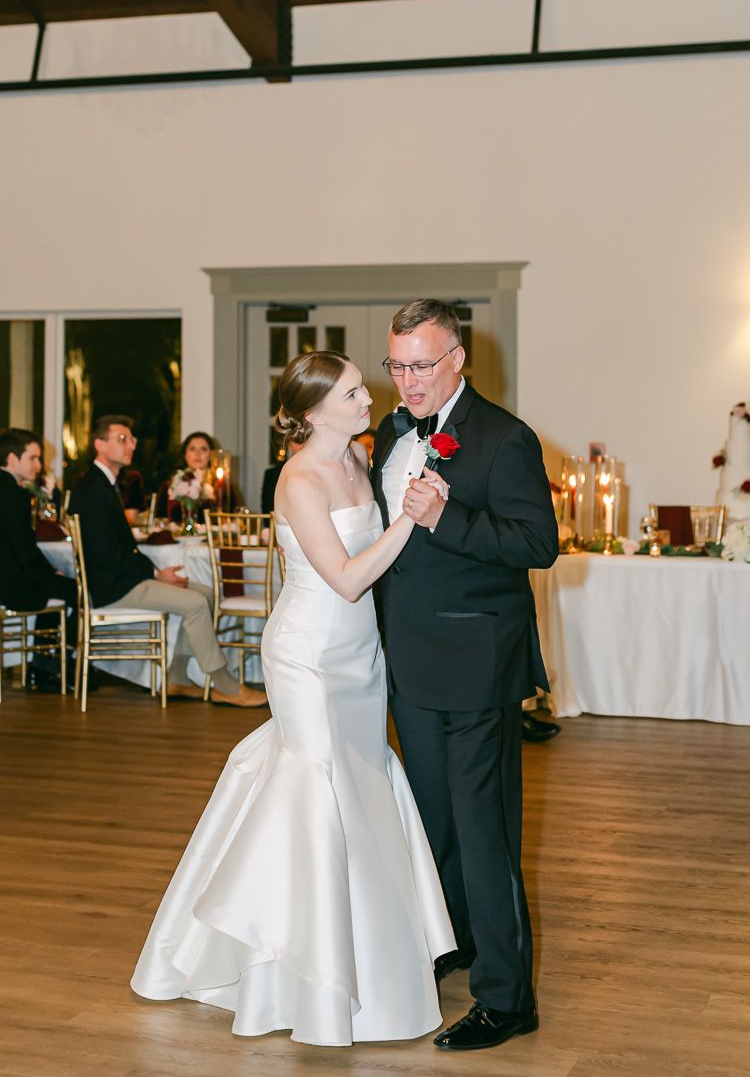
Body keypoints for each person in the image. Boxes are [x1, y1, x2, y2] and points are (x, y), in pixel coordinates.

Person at [131, 352, 456, 1046]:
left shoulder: (361, 462)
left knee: (361, 797)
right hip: (308, 653)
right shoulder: (299, 478)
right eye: (349, 393)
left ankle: (368, 962)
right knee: (316, 797)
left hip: (360, 655)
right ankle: (292, 975)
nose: (366, 399)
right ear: (312, 412)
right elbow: (341, 578)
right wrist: (411, 519)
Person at [371, 299, 558, 1052]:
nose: (407, 380)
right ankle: (458, 940)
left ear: (458, 361)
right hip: (408, 659)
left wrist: (449, 519)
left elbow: (537, 544)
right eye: (396, 364)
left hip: (477, 662)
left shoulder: (506, 438)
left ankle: (508, 1000)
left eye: (420, 364)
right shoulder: (389, 432)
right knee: (430, 821)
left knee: (486, 833)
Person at [68, 416, 266, 708]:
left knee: (205, 594)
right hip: (111, 586)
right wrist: (156, 573)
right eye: (122, 439)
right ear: (99, 444)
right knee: (195, 603)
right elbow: (107, 555)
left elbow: (118, 549)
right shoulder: (92, 490)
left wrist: (156, 572)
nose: (132, 445)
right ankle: (225, 685)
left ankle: (178, 679)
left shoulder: (104, 484)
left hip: (122, 578)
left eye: (132, 439)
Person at [0, 428, 78, 689]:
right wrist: (51, 572)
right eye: (33, 458)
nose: (39, 466)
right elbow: (25, 551)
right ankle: (49, 668)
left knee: (55, 586)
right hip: (10, 587)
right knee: (75, 589)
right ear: (12, 458)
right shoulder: (14, 495)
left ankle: (43, 666)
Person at [158, 431, 231, 523]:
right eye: (192, 449)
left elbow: (231, 520)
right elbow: (160, 520)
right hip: (181, 533)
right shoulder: (169, 486)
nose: (197, 453)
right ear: (184, 454)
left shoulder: (222, 486)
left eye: (203, 449)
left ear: (211, 455)